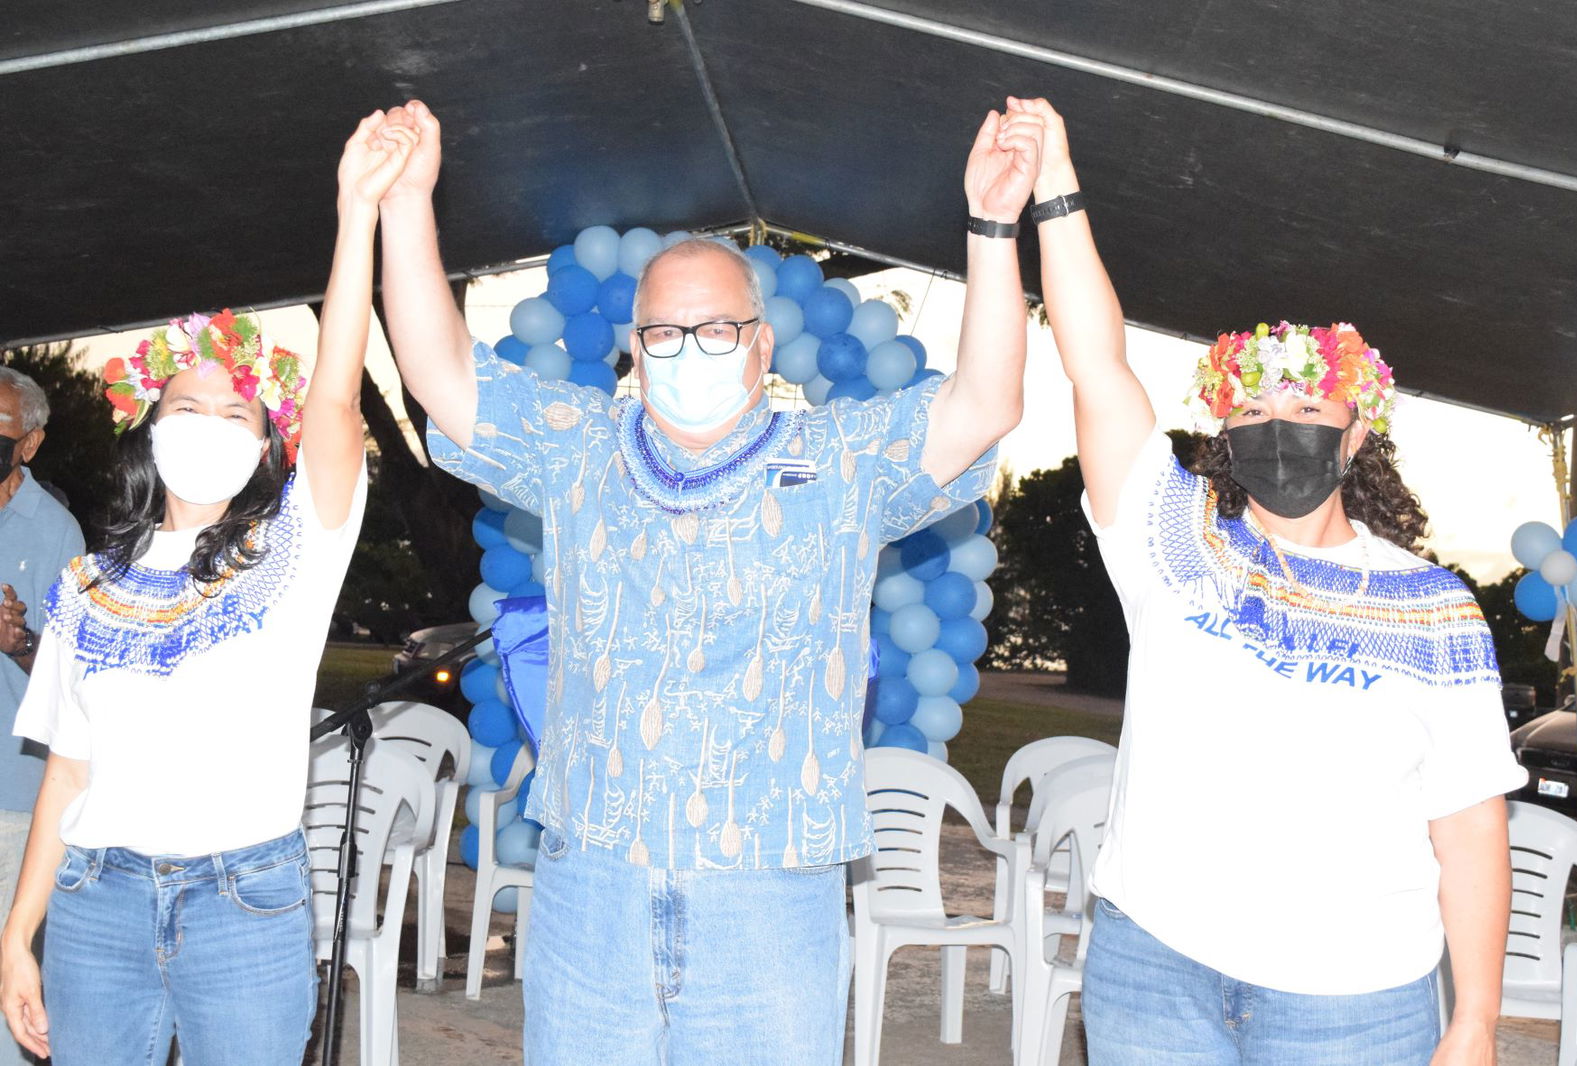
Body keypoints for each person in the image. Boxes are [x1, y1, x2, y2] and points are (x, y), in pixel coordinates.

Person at [374, 97, 1038, 1062]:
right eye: (665, 334)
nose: (689, 351)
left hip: (768, 894)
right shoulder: (579, 447)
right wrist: (405, 205)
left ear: (762, 344)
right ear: (635, 351)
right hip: (591, 883)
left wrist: (990, 226)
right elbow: (439, 374)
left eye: (717, 329)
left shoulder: (841, 459)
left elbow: (986, 402)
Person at [1023, 95, 1526, 1064]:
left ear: (1357, 429)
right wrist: (1055, 190)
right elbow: (1096, 366)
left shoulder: (1433, 608)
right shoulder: (1172, 540)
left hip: (1353, 1003)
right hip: (1154, 970)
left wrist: (1474, 1019)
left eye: (1303, 401)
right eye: (1249, 404)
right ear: (1220, 428)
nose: (1274, 424)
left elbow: (1469, 822)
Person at [0, 111, 413, 1065]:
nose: (213, 423)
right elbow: (68, 769)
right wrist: (18, 936)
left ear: (268, 444)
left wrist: (356, 214)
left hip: (245, 905)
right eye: (190, 406)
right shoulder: (85, 585)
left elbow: (340, 399)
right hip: (95, 903)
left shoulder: (292, 555)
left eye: (239, 413)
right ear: (149, 428)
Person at [0, 367, 85, 1066]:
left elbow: (79, 685)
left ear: (29, 444)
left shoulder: (56, 533)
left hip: (14, 797)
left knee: (10, 976)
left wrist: (19, 641)